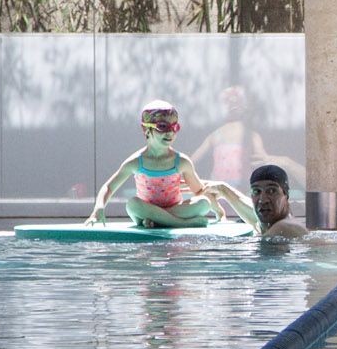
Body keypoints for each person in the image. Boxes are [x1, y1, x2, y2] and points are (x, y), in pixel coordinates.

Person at [85, 101, 223, 228]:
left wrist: (217, 209)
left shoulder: (181, 162)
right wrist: (99, 207)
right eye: (162, 127)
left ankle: (158, 221)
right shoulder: (136, 162)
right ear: (146, 130)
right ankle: (181, 223)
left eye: (175, 127)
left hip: (171, 210)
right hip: (146, 209)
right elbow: (109, 187)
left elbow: (199, 191)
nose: (170, 132)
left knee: (204, 202)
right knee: (133, 204)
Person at [190, 85, 307, 189]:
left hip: (242, 185)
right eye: (228, 102)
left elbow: (262, 159)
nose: (232, 105)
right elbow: (192, 160)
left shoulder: (250, 135)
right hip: (220, 185)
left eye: (235, 102)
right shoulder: (217, 135)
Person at [204, 164, 309, 238]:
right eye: (257, 191)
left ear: (286, 194)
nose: (263, 200)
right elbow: (253, 217)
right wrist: (223, 189)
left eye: (271, 191)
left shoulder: (284, 228)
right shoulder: (275, 224)